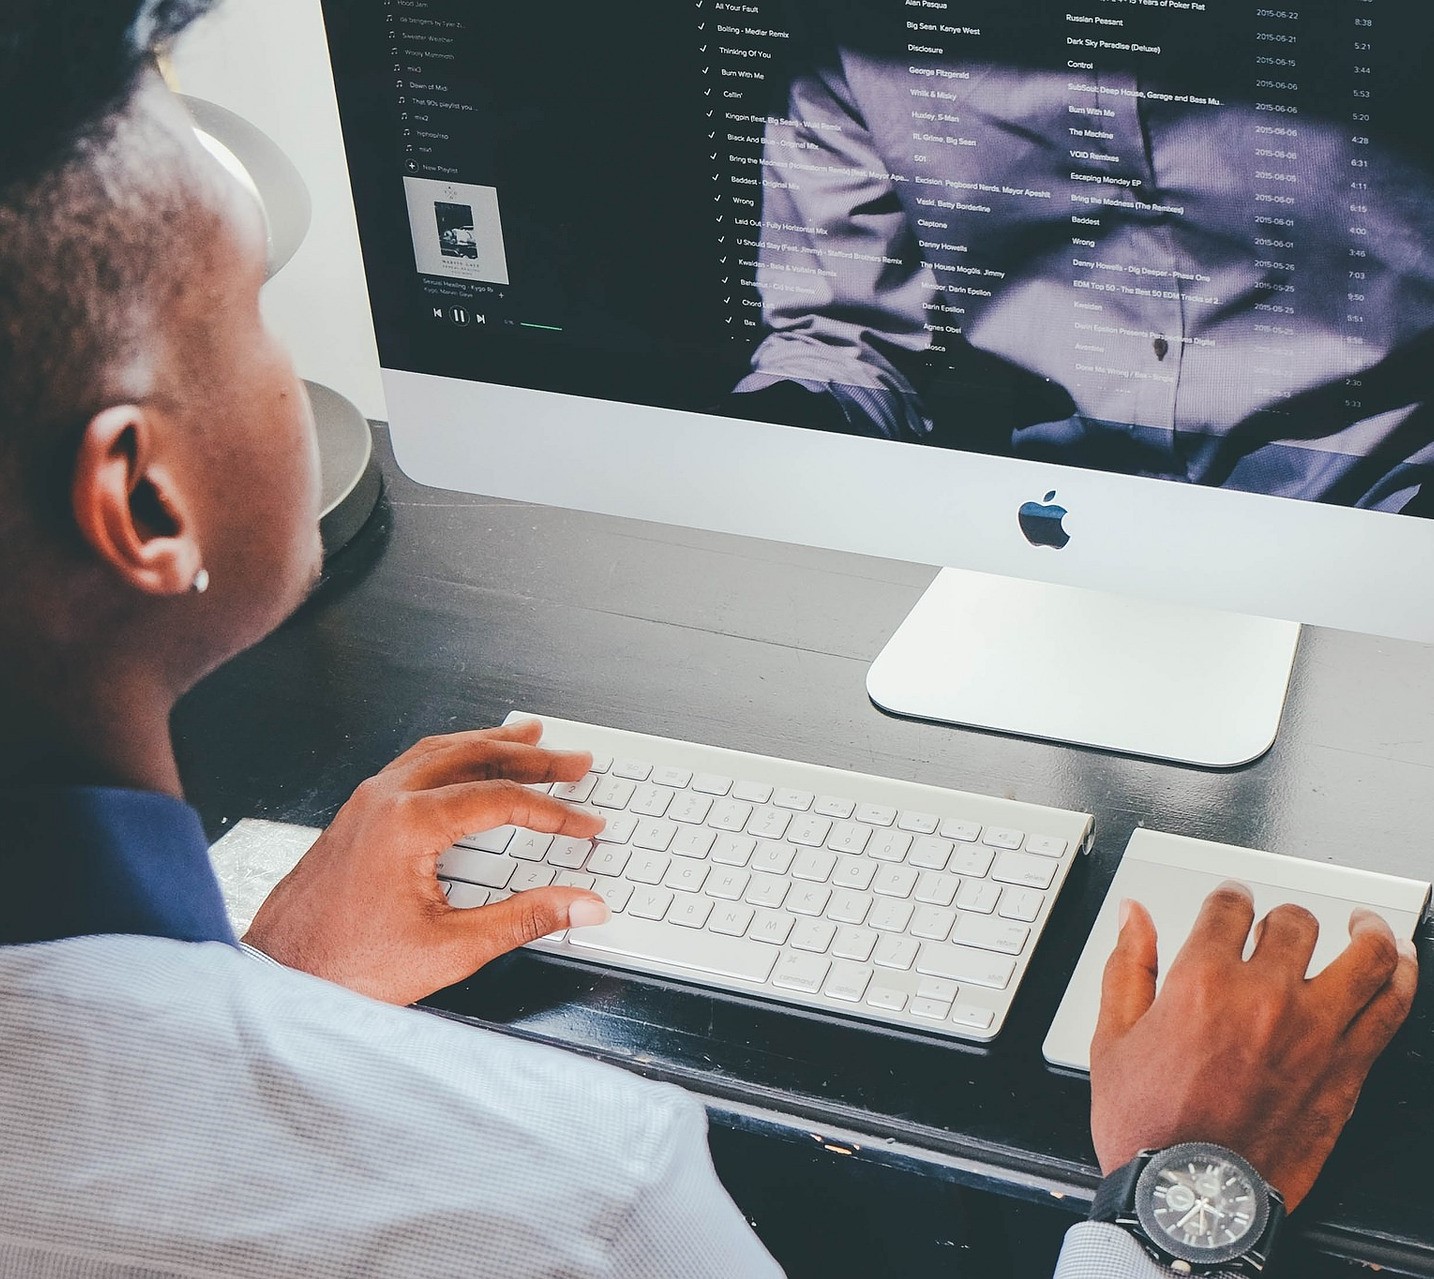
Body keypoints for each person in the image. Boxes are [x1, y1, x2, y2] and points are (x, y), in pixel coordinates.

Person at [0, 3, 1417, 1277]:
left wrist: (274, 984)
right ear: (143, 497)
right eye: (253, 299)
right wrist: (1181, 1200)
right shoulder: (561, 1200)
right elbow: (836, 340)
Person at [731, 2, 1434, 513]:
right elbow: (840, 340)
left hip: (1387, 527)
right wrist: (741, 452)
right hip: (1049, 527)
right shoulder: (859, 28)